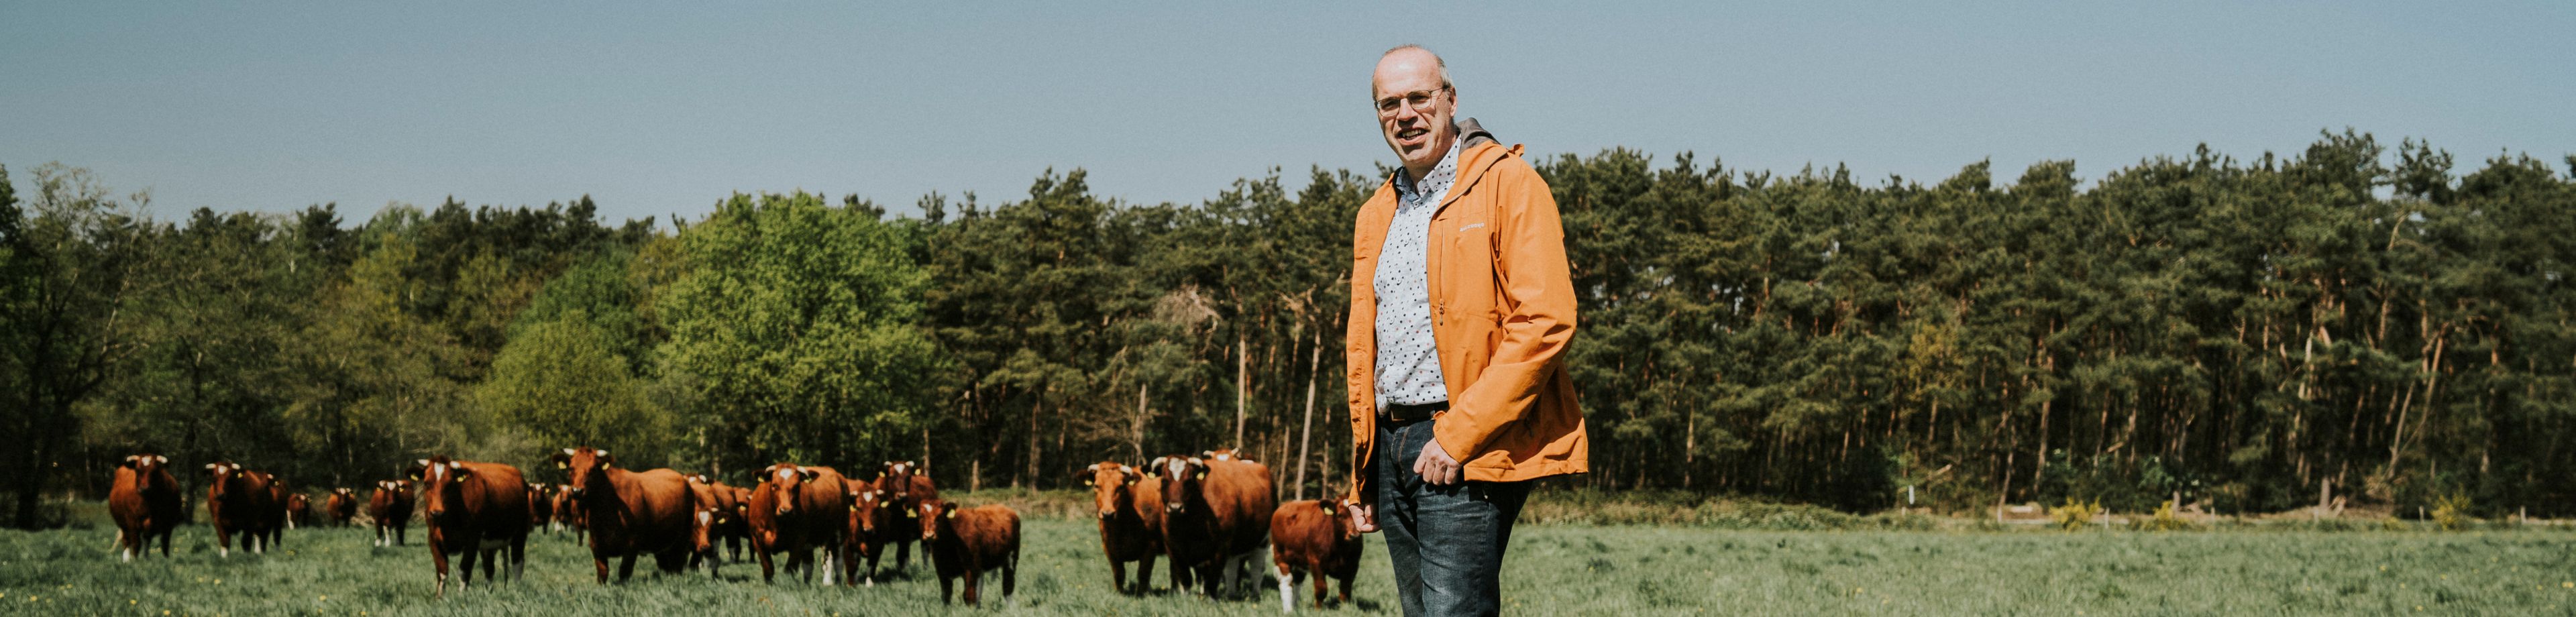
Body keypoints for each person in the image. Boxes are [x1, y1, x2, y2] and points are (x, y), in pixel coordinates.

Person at [1342, 44, 1587, 616]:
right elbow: (1368, 351)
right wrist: (1366, 472)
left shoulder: (1509, 184)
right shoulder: (1377, 211)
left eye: (1419, 98)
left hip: (1463, 440)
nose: (1405, 114)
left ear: (1450, 100)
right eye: (1389, 104)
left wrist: (1458, 435)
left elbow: (1546, 321)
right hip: (1393, 443)